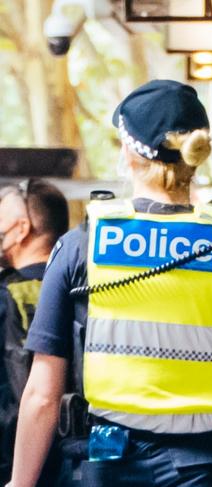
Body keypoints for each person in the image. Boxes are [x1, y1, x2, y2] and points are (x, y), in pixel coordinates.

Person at [8, 79, 212, 487]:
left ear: (129, 154)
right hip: (209, 468)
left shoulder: (84, 245)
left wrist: (20, 483)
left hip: (105, 466)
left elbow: (43, 393)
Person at [0, 179, 69, 485]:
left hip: (12, 462)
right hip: (79, 456)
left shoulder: (4, 295)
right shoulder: (88, 292)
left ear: (21, 229)